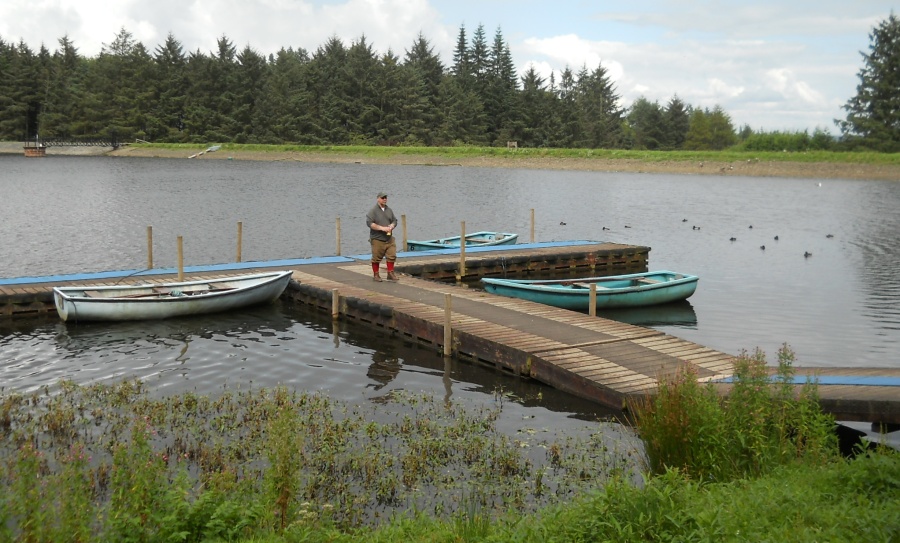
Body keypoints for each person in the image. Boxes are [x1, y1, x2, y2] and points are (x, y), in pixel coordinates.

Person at [366, 191, 398, 282]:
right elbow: (370, 223)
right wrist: (381, 228)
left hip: (389, 238)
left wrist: (392, 225)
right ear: (378, 199)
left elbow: (395, 220)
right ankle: (376, 274)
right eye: (383, 198)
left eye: (386, 198)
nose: (385, 199)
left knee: (392, 255)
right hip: (377, 238)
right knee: (376, 257)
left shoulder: (389, 210)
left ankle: (390, 273)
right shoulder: (373, 211)